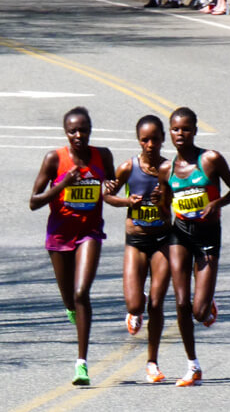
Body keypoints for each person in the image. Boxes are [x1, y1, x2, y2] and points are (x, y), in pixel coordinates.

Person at [158, 107, 230, 387]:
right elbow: (164, 209)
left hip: (208, 235)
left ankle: (207, 305)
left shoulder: (211, 159)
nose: (179, 134)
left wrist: (216, 203)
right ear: (169, 132)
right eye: (175, 129)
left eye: (185, 129)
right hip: (180, 234)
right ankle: (192, 365)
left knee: (198, 312)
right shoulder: (165, 169)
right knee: (181, 303)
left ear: (195, 130)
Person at [29, 107, 115, 385]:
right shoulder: (54, 159)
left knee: (81, 293)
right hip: (59, 237)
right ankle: (71, 309)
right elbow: (34, 202)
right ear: (65, 132)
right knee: (69, 299)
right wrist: (63, 184)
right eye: (73, 131)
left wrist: (112, 188)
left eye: (84, 129)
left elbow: (111, 187)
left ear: (91, 129)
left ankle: (82, 364)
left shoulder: (102, 156)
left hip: (89, 232)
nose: (79, 135)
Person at [102, 115, 171, 383]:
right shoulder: (128, 167)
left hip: (163, 240)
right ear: (138, 140)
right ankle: (135, 303)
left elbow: (180, 203)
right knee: (135, 304)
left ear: (163, 138)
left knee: (156, 304)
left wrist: (164, 199)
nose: (150, 144)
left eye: (155, 138)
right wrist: (125, 201)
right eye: (145, 139)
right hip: (137, 240)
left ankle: (152, 362)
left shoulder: (170, 168)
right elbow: (107, 195)